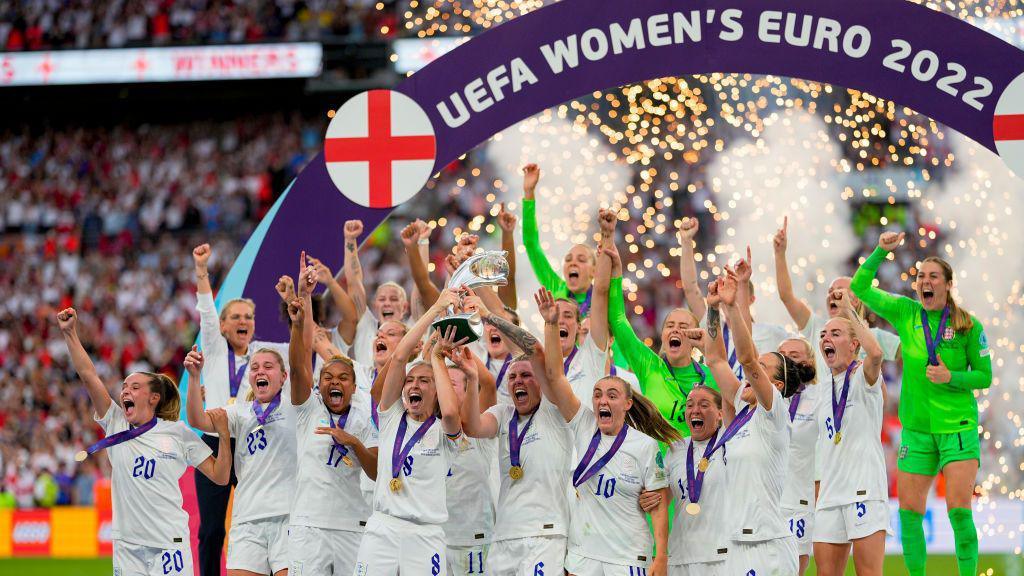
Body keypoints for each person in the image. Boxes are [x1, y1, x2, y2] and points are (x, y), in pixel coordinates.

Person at [851, 231, 992, 576]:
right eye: (920, 277)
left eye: (933, 277)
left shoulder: (968, 326)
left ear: (947, 285)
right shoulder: (905, 311)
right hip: (916, 431)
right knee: (909, 514)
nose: (924, 282)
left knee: (959, 511)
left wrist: (952, 378)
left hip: (956, 428)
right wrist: (881, 251)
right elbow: (859, 288)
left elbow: (984, 376)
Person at [57, 307, 232, 576]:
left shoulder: (177, 432)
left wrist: (223, 435)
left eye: (135, 387)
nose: (125, 390)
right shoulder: (115, 423)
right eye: (125, 386)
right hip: (127, 547)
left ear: (154, 398)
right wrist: (70, 333)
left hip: (169, 544)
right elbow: (89, 375)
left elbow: (220, 478)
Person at [537, 287, 675, 576]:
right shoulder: (584, 424)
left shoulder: (645, 446)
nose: (602, 400)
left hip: (628, 557)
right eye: (597, 394)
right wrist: (551, 324)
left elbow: (659, 505)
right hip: (582, 556)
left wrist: (660, 557)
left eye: (612, 395)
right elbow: (555, 376)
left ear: (627, 402)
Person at [695, 270, 814, 576]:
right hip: (734, 544)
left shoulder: (773, 412)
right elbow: (716, 361)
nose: (751, 373)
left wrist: (733, 308)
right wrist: (712, 308)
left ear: (775, 383)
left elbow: (746, 359)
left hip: (767, 546)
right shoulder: (743, 409)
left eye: (763, 369)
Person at [191, 242, 290, 576]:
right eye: (235, 317)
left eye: (248, 316)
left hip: (250, 438)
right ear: (222, 326)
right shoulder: (216, 351)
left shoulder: (263, 357)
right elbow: (206, 310)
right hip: (213, 440)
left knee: (249, 517)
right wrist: (202, 270)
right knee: (211, 529)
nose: (243, 321)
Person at [352, 290, 464, 576]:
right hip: (382, 528)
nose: (414, 385)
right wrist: (436, 307)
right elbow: (400, 356)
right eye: (410, 381)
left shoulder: (443, 430)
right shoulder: (390, 418)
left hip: (425, 535)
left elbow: (451, 412)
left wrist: (437, 358)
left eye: (424, 381)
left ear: (437, 390)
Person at [459, 304, 574, 576]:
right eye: (512, 377)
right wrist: (472, 377)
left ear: (540, 382)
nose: (517, 381)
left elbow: (537, 353)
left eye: (525, 375)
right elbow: (472, 427)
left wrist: (488, 316)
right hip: (504, 535)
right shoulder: (503, 412)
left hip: (546, 535)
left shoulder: (553, 408)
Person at [285, 263, 379, 576]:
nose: (334, 382)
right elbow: (298, 368)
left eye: (342, 377)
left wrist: (354, 442)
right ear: (319, 382)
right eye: (327, 376)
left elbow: (377, 470)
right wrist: (300, 319)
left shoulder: (366, 411)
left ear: (354, 386)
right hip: (307, 525)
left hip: (354, 525)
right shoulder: (308, 408)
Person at [187, 329, 297, 575]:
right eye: (255, 367)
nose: (260, 371)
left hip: (289, 518)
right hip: (247, 520)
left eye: (268, 366)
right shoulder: (239, 411)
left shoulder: (297, 407)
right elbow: (196, 419)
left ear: (283, 377)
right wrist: (194, 378)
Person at [596, 239, 717, 436]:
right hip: (655, 467)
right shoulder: (650, 367)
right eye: (670, 325)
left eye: (683, 326)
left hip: (696, 466)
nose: (675, 330)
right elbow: (618, 322)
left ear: (694, 337)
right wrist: (617, 271)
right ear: (663, 334)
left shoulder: (710, 376)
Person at [812, 290, 888, 576]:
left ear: (855, 343)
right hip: (830, 495)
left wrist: (849, 311)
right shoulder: (823, 386)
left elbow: (877, 353)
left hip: (864, 491)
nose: (826, 338)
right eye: (823, 334)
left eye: (836, 333)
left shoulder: (864, 378)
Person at [655, 385, 731, 575]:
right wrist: (649, 497)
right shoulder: (676, 448)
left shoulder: (731, 443)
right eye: (689, 405)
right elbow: (662, 498)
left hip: (720, 556)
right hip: (680, 557)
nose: (695, 410)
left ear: (720, 414)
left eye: (704, 405)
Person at [436, 346, 498, 576]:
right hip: (435, 538)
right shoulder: (429, 428)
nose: (443, 391)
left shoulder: (479, 425)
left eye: (451, 385)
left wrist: (462, 347)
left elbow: (489, 384)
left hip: (472, 538)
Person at [341, 219, 412, 366]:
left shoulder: (412, 332)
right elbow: (354, 283)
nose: (387, 303)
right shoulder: (366, 326)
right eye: (382, 299)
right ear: (374, 305)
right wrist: (350, 240)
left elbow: (422, 284)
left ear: (404, 307)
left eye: (393, 299)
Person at [777, 337, 819, 575]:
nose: (787, 359)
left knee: (794, 571)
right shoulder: (768, 397)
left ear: (809, 362)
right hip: (767, 499)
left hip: (799, 500)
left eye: (794, 354)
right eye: (782, 353)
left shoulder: (821, 396)